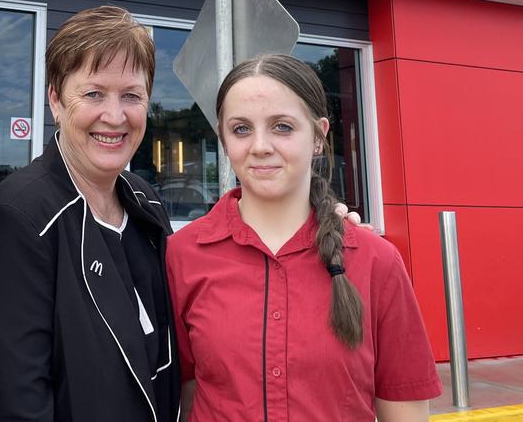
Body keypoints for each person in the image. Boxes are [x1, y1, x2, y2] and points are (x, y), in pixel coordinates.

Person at [166, 54, 442, 422]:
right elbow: (183, 393)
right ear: (223, 138)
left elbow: (403, 409)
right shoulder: (182, 256)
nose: (260, 146)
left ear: (318, 135)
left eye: (282, 126)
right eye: (241, 129)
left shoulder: (377, 261)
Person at [0, 5, 180, 422]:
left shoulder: (145, 203)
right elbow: (20, 403)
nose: (115, 117)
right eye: (94, 94)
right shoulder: (17, 219)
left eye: (131, 95)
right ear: (56, 100)